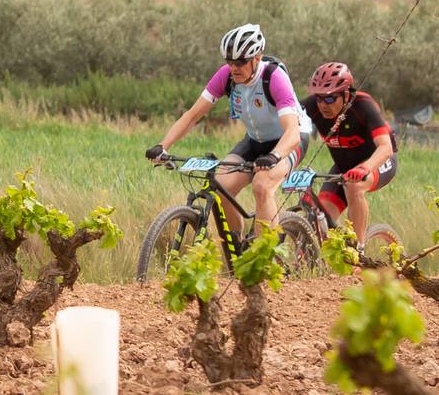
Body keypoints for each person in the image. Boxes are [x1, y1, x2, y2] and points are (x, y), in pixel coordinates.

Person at [146, 23, 310, 235]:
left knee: (262, 185)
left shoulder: (274, 78)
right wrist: (162, 145)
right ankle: (237, 248)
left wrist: (275, 156)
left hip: (289, 140)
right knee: (221, 187)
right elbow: (192, 116)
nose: (234, 68)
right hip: (255, 140)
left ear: (257, 58)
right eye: (230, 62)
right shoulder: (226, 76)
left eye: (241, 62)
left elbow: (292, 132)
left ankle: (264, 259)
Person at [301, 61, 397, 249]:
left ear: (346, 94)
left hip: (377, 161)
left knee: (354, 186)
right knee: (322, 220)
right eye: (319, 98)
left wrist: (366, 168)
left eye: (330, 99)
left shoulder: (363, 105)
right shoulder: (312, 106)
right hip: (344, 167)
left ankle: (358, 249)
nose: (322, 105)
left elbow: (385, 148)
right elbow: (284, 122)